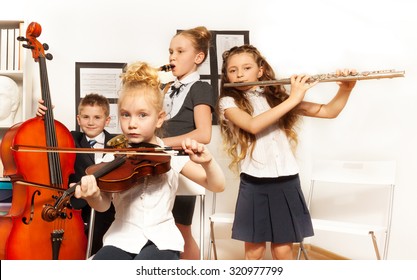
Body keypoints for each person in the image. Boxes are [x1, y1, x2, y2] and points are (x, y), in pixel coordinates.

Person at [73, 61, 225, 260]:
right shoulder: (113, 158)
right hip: (121, 238)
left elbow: (216, 185)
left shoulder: (167, 155)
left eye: (142, 115)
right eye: (126, 115)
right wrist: (92, 195)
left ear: (159, 118)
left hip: (162, 240)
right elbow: (103, 205)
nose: (132, 124)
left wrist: (208, 162)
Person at [217, 44, 357, 260]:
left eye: (246, 68)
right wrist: (294, 98)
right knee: (254, 253)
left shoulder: (276, 99)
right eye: (232, 70)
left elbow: (329, 112)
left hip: (287, 181)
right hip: (255, 183)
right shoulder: (228, 102)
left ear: (260, 71)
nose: (239, 75)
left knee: (283, 251)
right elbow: (253, 125)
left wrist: (346, 88)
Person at [36, 93, 116, 255]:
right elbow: (45, 138)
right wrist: (44, 119)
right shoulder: (70, 139)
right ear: (78, 119)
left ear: (107, 120)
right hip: (77, 208)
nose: (91, 122)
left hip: (108, 207)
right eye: (86, 117)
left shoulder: (118, 142)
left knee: (106, 248)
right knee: (77, 250)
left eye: (97, 117)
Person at [162, 26, 215, 259]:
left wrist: (161, 143)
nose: (172, 57)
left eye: (180, 51)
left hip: (182, 167)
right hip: (160, 166)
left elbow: (204, 134)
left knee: (181, 229)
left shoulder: (201, 88)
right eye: (171, 51)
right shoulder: (167, 88)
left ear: (198, 57)